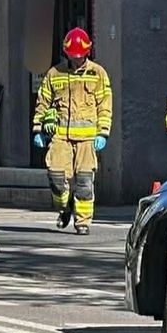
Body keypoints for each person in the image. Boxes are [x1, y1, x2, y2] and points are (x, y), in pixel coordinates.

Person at [32, 27, 112, 235]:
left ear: (87, 52)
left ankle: (83, 221)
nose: (76, 59)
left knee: (84, 182)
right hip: (60, 136)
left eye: (80, 56)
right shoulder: (54, 73)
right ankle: (64, 206)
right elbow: (43, 103)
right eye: (72, 55)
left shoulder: (98, 74)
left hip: (87, 139)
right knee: (56, 178)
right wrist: (39, 128)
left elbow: (105, 105)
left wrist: (103, 132)